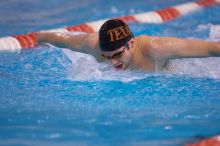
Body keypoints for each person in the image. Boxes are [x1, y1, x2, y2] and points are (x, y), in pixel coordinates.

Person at [36, 19, 220, 71]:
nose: (112, 63)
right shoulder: (92, 45)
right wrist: (36, 38)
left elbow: (212, 48)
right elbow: (61, 39)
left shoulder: (156, 48)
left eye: (117, 54)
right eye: (106, 56)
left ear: (131, 44)